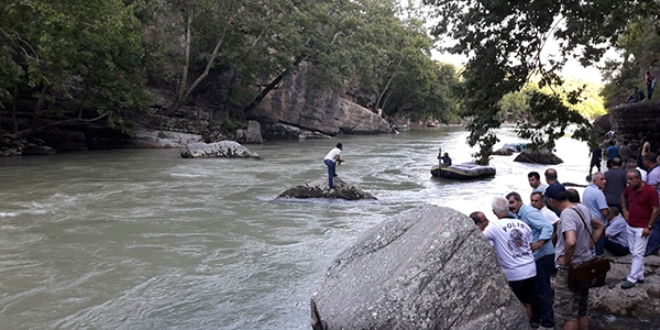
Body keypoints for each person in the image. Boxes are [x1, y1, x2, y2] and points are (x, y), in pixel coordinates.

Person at [545, 183, 604, 330]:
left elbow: (571, 241)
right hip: (585, 264)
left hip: (571, 269)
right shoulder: (582, 208)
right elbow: (600, 226)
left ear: (551, 200)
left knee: (567, 314)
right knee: (581, 309)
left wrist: (565, 260)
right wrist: (588, 246)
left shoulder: (566, 214)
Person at [506, 192, 555, 330]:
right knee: (534, 290)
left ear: (520, 201)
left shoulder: (528, 213)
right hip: (533, 257)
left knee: (543, 290)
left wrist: (540, 243)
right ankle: (536, 318)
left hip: (543, 255)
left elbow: (548, 226)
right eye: (508, 203)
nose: (510, 206)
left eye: (512, 202)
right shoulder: (517, 215)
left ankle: (548, 324)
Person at [487, 197, 537, 322]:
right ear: (508, 208)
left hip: (514, 273)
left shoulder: (494, 227)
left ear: (493, 212)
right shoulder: (522, 224)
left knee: (514, 305)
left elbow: (479, 237)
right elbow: (530, 243)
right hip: (530, 269)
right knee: (527, 303)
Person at [620, 169, 659, 289]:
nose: (629, 182)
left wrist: (649, 227)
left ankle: (632, 278)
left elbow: (656, 209)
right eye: (628, 179)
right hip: (631, 225)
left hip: (642, 227)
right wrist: (625, 210)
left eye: (631, 179)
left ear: (638, 179)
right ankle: (640, 275)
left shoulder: (650, 191)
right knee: (634, 251)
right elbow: (623, 196)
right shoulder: (630, 189)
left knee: (637, 253)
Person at [582, 172, 610, 287]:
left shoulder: (587, 190)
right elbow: (604, 212)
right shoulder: (598, 193)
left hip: (589, 224)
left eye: (604, 179)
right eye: (602, 179)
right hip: (598, 225)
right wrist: (609, 211)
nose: (605, 181)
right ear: (595, 181)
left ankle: (588, 277)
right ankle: (599, 280)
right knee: (599, 253)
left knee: (590, 250)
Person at [644, 153, 660, 256]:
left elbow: (651, 191)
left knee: (655, 225)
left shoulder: (653, 174)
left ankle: (652, 248)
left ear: (647, 161)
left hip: (657, 203)